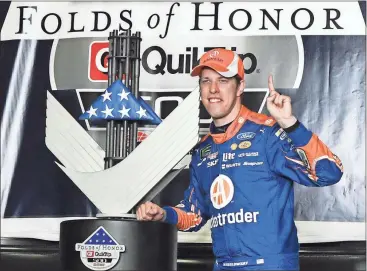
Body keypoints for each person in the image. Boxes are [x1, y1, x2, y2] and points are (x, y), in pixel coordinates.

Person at [136, 48, 343, 271]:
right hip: (224, 265)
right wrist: (163, 214)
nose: (213, 89)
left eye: (223, 80)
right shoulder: (203, 150)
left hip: (270, 265)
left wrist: (290, 124)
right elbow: (195, 215)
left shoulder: (267, 134)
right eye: (206, 81)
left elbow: (328, 173)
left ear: (240, 86)